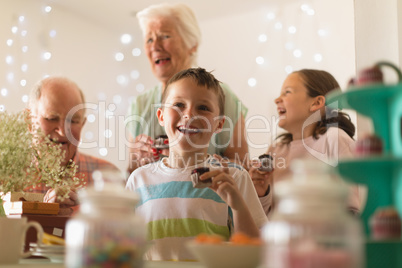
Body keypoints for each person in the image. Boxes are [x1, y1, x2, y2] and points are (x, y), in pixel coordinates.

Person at [126, 68, 267, 261]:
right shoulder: (138, 180)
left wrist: (237, 205)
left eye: (203, 108)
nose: (189, 114)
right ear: (161, 116)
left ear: (219, 124)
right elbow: (123, 246)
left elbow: (254, 253)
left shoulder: (235, 178)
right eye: (178, 105)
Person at [126, 3, 248, 173]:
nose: (155, 46)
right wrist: (137, 160)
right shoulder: (139, 104)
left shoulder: (222, 97)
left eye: (165, 36)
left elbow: (243, 168)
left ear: (192, 45)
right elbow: (130, 174)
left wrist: (202, 163)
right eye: (149, 39)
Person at [249, 69, 364, 217]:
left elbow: (352, 209)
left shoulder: (334, 139)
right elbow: (266, 218)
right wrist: (261, 192)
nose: (277, 99)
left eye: (287, 92)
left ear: (316, 103)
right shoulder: (276, 150)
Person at [28, 76, 119, 214]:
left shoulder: (109, 178)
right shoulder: (6, 178)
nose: (64, 131)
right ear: (30, 122)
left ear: (82, 124)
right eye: (52, 119)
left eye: (74, 121)